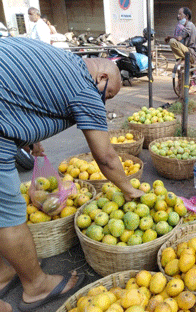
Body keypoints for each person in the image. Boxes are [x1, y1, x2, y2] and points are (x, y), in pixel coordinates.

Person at [0, 37, 143, 312]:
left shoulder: (65, 63)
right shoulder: (85, 88)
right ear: (101, 76)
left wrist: (28, 136)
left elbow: (22, 95)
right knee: (10, 215)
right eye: (108, 95)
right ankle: (36, 286)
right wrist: (130, 189)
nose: (104, 103)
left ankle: (4, 273)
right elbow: (106, 158)